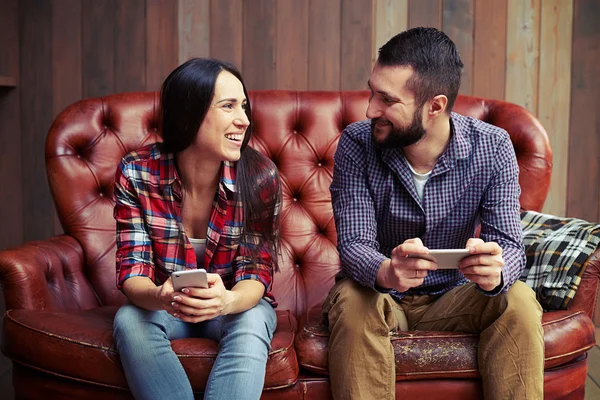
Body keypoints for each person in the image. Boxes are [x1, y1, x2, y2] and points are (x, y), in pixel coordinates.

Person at [324, 27, 543, 399]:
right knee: (351, 300)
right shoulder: (356, 143)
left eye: (387, 100)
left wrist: (496, 269)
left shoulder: (492, 148)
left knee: (518, 300)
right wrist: (388, 271)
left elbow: (508, 245)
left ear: (435, 106)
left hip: (454, 298)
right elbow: (355, 244)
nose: (370, 109)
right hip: (381, 298)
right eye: (372, 91)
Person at [112, 58, 281, 400]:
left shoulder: (260, 176)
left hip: (231, 308)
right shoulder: (137, 172)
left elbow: (256, 273)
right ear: (188, 114)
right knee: (130, 318)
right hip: (167, 307)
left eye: (244, 106)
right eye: (228, 106)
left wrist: (227, 300)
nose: (244, 120)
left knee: (254, 316)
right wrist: (160, 295)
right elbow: (133, 270)